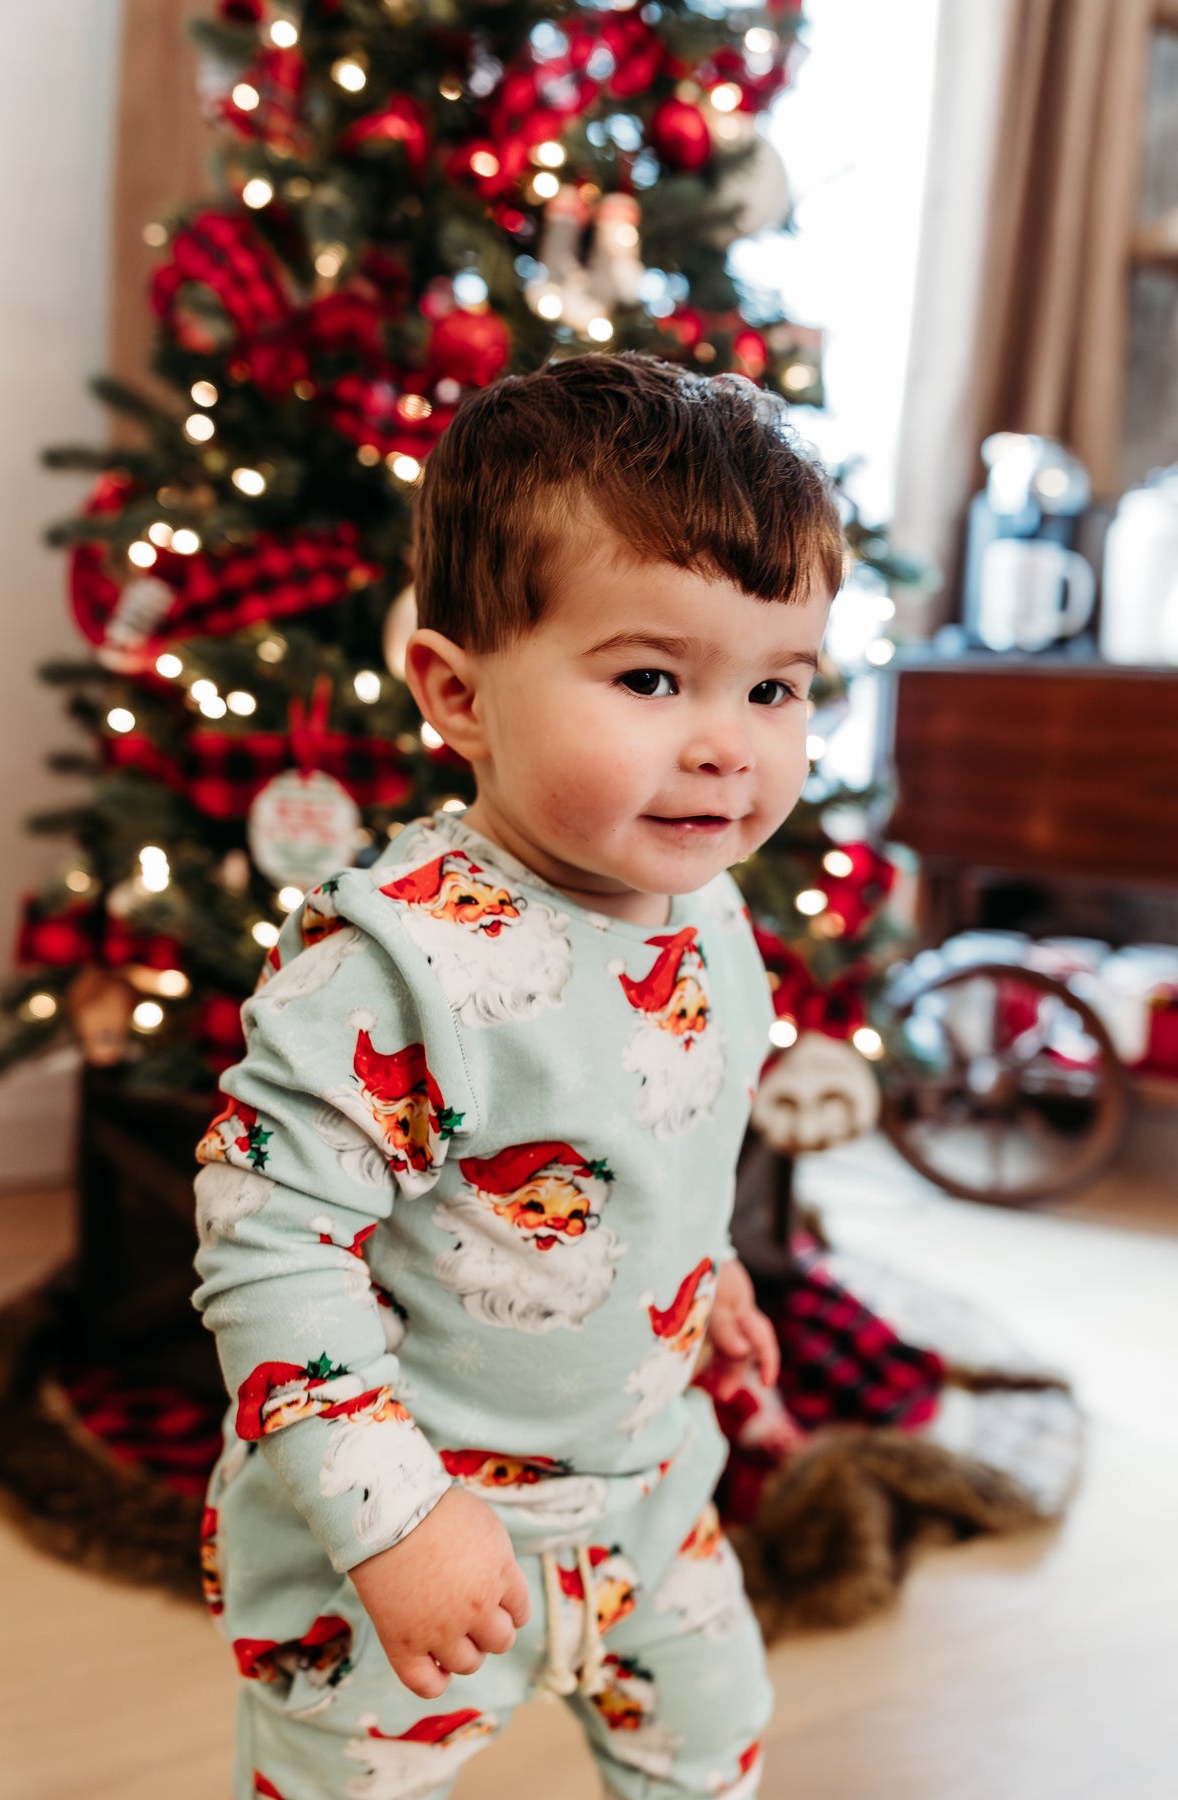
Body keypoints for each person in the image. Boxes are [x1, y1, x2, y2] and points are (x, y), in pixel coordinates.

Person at [193, 351, 843, 1800]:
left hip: (650, 1497)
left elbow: (651, 1149)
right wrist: (392, 1519)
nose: (730, 745)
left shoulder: (711, 906)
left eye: (779, 686)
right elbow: (270, 1251)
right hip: (412, 1534)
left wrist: (698, 1278)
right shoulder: (390, 969)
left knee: (712, 1748)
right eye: (654, 675)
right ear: (457, 692)